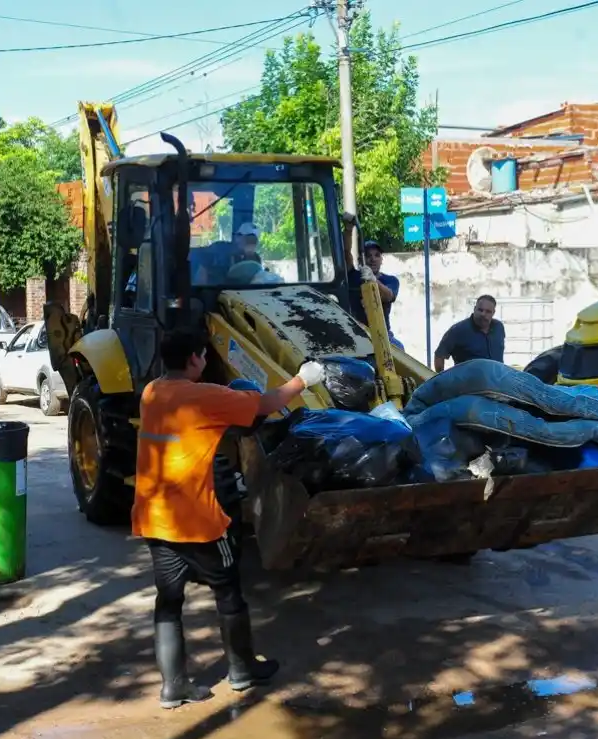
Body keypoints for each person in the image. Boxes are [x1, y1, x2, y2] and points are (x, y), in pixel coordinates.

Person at [132, 328, 325, 709]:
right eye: (202, 356)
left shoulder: (151, 392)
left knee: (169, 603)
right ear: (192, 360)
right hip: (198, 521)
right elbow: (265, 404)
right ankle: (241, 670)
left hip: (155, 516)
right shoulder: (205, 396)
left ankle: (173, 688)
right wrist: (305, 379)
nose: (204, 362)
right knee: (228, 593)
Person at [347, 240, 402, 347]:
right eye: (368, 256)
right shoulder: (353, 277)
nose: (373, 259)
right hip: (358, 334)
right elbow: (346, 253)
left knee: (399, 348)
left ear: (382, 259)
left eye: (377, 255)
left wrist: (373, 280)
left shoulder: (391, 280)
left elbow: (389, 296)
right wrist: (348, 229)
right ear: (360, 260)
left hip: (383, 335)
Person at [434, 295, 505, 372]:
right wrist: (441, 379)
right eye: (480, 310)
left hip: (497, 381)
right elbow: (439, 355)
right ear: (474, 309)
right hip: (468, 383)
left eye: (488, 311)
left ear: (493, 313)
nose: (483, 314)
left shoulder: (498, 327)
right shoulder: (458, 330)